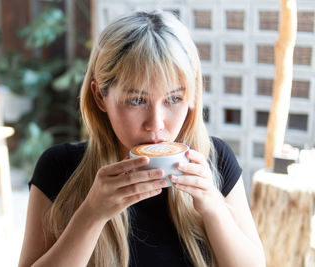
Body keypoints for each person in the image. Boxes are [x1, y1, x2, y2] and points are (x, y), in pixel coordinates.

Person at [18, 10, 265, 267]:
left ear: (192, 95)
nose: (156, 124)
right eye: (137, 100)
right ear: (100, 96)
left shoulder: (215, 159)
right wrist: (91, 214)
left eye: (173, 99)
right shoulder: (59, 167)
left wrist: (214, 208)